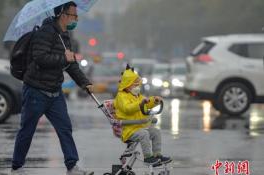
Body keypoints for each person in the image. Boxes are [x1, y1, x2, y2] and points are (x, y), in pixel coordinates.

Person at [11, 2, 94, 175]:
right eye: (73, 15)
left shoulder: (65, 35)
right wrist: (64, 58)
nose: (76, 19)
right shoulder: (44, 33)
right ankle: (17, 167)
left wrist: (85, 83)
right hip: (36, 90)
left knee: (65, 128)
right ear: (62, 15)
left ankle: (72, 166)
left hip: (55, 91)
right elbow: (40, 58)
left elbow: (71, 64)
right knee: (27, 129)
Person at [114, 65, 172, 165]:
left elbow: (147, 104)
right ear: (127, 86)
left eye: (138, 85)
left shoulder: (138, 96)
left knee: (155, 132)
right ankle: (148, 157)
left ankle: (157, 155)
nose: (137, 87)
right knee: (144, 134)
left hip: (141, 127)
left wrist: (155, 101)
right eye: (135, 85)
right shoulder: (121, 97)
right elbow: (127, 109)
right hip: (129, 130)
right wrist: (140, 104)